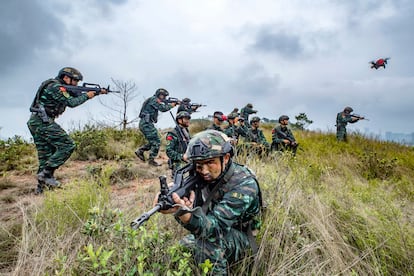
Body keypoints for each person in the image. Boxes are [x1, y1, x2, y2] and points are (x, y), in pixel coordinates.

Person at [154, 130, 261, 275]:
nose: (204, 171)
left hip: (243, 235)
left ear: (226, 158)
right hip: (218, 228)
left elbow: (214, 228)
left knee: (205, 245)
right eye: (198, 164)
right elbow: (201, 219)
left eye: (210, 162)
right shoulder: (202, 178)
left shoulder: (244, 184)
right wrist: (178, 204)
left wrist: (185, 215)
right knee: (181, 249)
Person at [27, 67, 107, 194]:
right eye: (74, 81)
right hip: (42, 122)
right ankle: (46, 174)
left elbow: (73, 94)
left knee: (46, 154)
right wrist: (88, 95)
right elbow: (72, 102)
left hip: (36, 122)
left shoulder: (57, 86)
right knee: (67, 145)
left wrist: (97, 92)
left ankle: (41, 188)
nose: (76, 84)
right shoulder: (56, 87)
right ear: (66, 78)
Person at [135, 88, 178, 166]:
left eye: (165, 96)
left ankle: (140, 151)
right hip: (146, 123)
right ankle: (151, 161)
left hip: (146, 123)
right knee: (157, 141)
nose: (164, 98)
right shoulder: (154, 100)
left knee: (153, 141)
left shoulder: (153, 100)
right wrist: (171, 105)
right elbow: (162, 108)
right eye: (163, 96)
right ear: (158, 94)